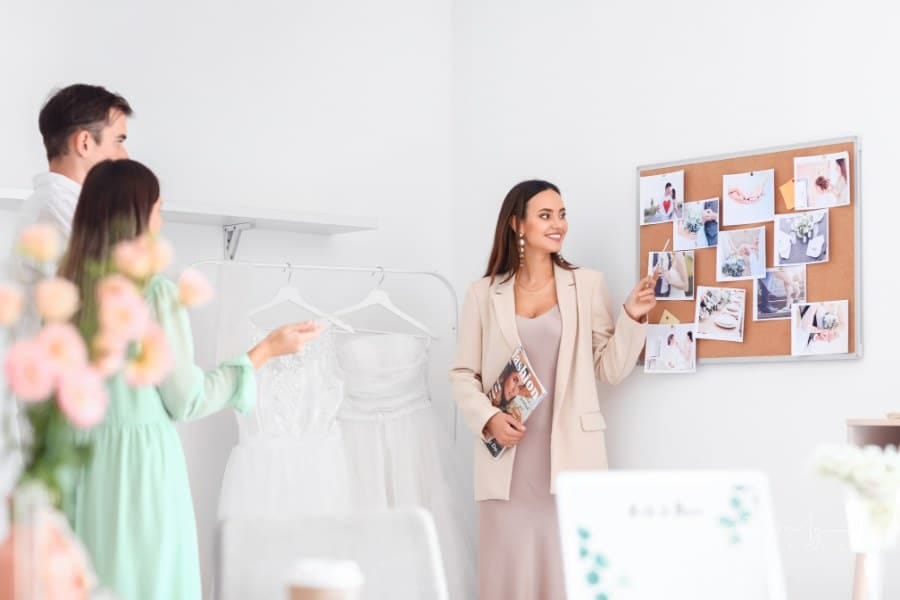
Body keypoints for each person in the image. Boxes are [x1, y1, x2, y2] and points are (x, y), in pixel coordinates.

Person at [57, 159, 323, 600]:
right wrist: (264, 351)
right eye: (158, 209)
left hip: (84, 467)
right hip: (140, 471)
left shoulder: (67, 296)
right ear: (137, 217)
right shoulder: (153, 294)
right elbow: (188, 399)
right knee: (152, 583)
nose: (161, 221)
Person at [449, 179, 657, 599]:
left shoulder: (587, 285)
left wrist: (632, 317)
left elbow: (609, 369)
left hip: (571, 457)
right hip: (507, 463)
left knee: (569, 576)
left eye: (561, 215)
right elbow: (462, 373)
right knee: (508, 577)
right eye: (545, 215)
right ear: (517, 224)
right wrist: (489, 418)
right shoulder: (483, 294)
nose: (557, 224)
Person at [15, 84, 132, 259]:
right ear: (84, 143)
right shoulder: (58, 211)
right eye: (118, 141)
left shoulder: (58, 205)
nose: (125, 155)